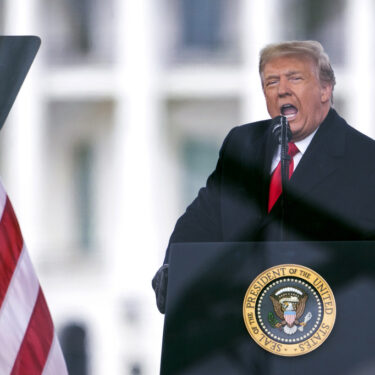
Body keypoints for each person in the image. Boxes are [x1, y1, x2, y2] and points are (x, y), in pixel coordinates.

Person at [152, 40, 375, 313]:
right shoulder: (242, 144)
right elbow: (200, 221)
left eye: (295, 78)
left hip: (330, 334)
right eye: (271, 82)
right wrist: (173, 271)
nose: (282, 90)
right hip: (239, 332)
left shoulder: (365, 159)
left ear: (325, 89)